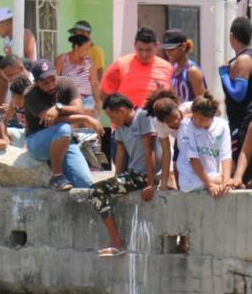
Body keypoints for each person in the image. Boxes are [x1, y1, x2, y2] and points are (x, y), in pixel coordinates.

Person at [90, 93, 159, 257]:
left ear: (121, 111)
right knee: (101, 189)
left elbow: (149, 151)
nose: (112, 121)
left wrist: (150, 183)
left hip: (144, 175)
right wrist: (116, 179)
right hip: (132, 174)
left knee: (96, 191)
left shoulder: (143, 117)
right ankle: (116, 242)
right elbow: (120, 154)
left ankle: (116, 242)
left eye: (112, 116)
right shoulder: (120, 127)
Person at [24, 59, 96, 191]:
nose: (51, 85)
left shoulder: (67, 83)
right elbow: (50, 120)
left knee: (85, 183)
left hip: (65, 139)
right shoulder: (30, 94)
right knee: (64, 127)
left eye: (52, 79)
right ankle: (56, 176)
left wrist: (58, 108)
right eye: (45, 83)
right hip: (38, 140)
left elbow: (78, 108)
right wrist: (86, 118)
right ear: (35, 83)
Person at [221, 17, 252, 162]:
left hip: (244, 124)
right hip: (249, 121)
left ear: (231, 36)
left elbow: (238, 94)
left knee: (241, 171)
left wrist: (224, 75)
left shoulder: (244, 60)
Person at [177, 94, 233, 197]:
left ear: (212, 117)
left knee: (231, 183)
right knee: (224, 181)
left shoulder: (222, 125)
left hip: (212, 175)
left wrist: (226, 180)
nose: (197, 121)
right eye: (195, 117)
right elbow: (193, 158)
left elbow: (226, 155)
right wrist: (209, 185)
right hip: (191, 177)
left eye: (202, 119)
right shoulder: (186, 125)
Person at [101, 27, 173, 107]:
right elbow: (104, 93)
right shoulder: (120, 65)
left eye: (148, 50)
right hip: (129, 119)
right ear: (134, 45)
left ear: (157, 46)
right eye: (140, 50)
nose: (144, 55)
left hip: (158, 117)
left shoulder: (168, 67)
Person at [144, 89, 190, 191]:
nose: (175, 122)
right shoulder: (159, 124)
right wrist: (163, 183)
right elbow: (166, 153)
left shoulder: (189, 108)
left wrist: (191, 116)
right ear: (162, 122)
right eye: (169, 121)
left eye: (176, 116)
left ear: (177, 108)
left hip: (200, 141)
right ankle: (180, 191)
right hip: (181, 142)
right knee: (177, 166)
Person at [56, 33, 102, 115]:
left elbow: (94, 83)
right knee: (73, 125)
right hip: (69, 101)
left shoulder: (89, 61)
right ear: (77, 47)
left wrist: (98, 102)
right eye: (86, 49)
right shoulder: (62, 60)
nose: (88, 52)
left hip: (87, 100)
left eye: (89, 49)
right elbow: (55, 81)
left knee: (88, 125)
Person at [161, 28, 205, 103]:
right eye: (166, 49)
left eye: (171, 49)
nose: (168, 53)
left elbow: (203, 104)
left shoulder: (192, 71)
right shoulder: (174, 69)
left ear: (183, 46)